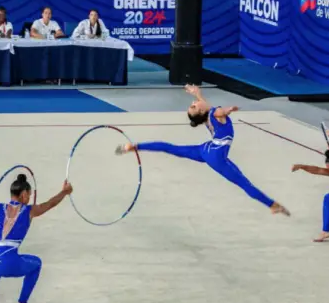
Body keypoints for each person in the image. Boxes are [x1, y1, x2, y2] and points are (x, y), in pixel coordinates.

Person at [115, 84, 290, 216]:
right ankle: (272, 205)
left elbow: (205, 104)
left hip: (206, 150)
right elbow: (219, 111)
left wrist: (196, 92)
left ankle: (134, 147)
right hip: (215, 156)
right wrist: (229, 109)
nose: (194, 103)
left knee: (169, 148)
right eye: (193, 105)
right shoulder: (214, 114)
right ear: (200, 111)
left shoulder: (207, 113)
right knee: (243, 183)